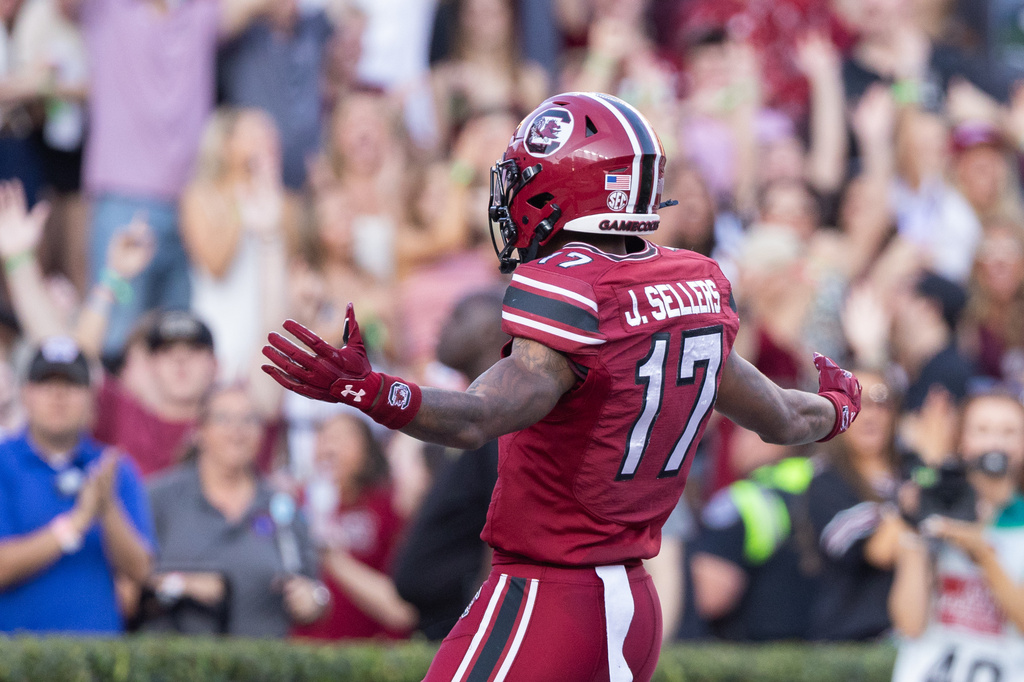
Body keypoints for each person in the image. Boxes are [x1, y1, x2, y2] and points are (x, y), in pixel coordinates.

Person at [262, 92, 861, 681]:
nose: (511, 196)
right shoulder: (694, 284)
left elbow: (479, 417)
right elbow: (782, 416)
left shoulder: (573, 291)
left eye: (524, 179)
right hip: (632, 600)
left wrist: (372, 392)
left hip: (552, 595)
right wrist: (837, 408)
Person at [141, 385, 325, 637]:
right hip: (176, 663)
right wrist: (183, 584)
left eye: (249, 420)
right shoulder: (160, 497)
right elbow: (129, 577)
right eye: (224, 419)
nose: (237, 430)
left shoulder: (281, 505)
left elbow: (312, 586)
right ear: (200, 431)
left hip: (261, 665)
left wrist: (311, 600)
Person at [0, 336, 154, 632]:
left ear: (91, 396)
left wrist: (108, 508)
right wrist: (75, 524)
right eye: (47, 383)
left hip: (100, 662)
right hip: (16, 662)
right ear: (26, 393)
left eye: (71, 384)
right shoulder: (4, 461)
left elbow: (141, 571)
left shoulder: (113, 467)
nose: (58, 395)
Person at [392, 288, 508, 640]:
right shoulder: (469, 416)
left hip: (467, 630)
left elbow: (502, 530)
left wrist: (484, 628)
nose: (442, 325)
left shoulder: (503, 421)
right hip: (438, 625)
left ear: (490, 332)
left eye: (458, 317)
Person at [890, 390, 1024, 682]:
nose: (994, 442)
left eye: (1009, 431)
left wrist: (982, 554)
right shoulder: (935, 501)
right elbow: (909, 623)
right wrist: (915, 524)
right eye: (982, 430)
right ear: (962, 440)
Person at [292, 412, 416, 640]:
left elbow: (400, 593)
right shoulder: (297, 502)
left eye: (342, 438)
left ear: (367, 451)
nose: (330, 448)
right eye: (324, 437)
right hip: (309, 644)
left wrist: (332, 556)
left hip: (369, 646)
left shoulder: (386, 506)